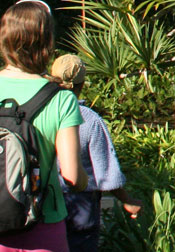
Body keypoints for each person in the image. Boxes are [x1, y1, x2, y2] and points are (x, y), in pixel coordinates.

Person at [0, 1, 86, 252]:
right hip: (42, 220)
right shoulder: (61, 99)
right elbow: (71, 176)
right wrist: (85, 182)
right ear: (47, 43)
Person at [50, 55, 143, 252]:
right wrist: (127, 200)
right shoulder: (91, 120)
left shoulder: (41, 112)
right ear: (82, 84)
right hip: (81, 203)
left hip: (46, 201)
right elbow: (107, 174)